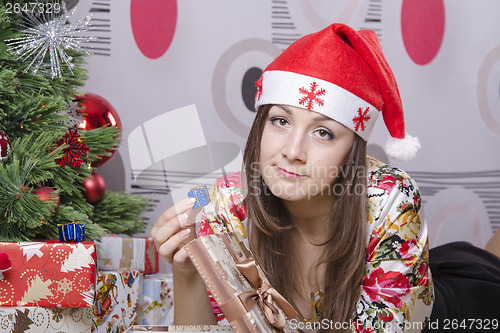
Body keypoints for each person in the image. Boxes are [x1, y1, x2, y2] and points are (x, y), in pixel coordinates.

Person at [151, 23, 433, 332]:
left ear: (353, 150)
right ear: (260, 125)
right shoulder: (227, 206)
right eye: (280, 120)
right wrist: (188, 272)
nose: (293, 151)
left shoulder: (390, 199)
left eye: (323, 132)